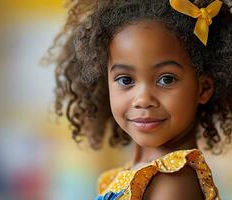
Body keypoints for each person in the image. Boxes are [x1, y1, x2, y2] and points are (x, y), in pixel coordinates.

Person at [43, 0, 232, 199]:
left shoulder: (173, 184)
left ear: (204, 89)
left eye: (166, 79)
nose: (142, 99)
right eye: (125, 80)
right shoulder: (143, 174)